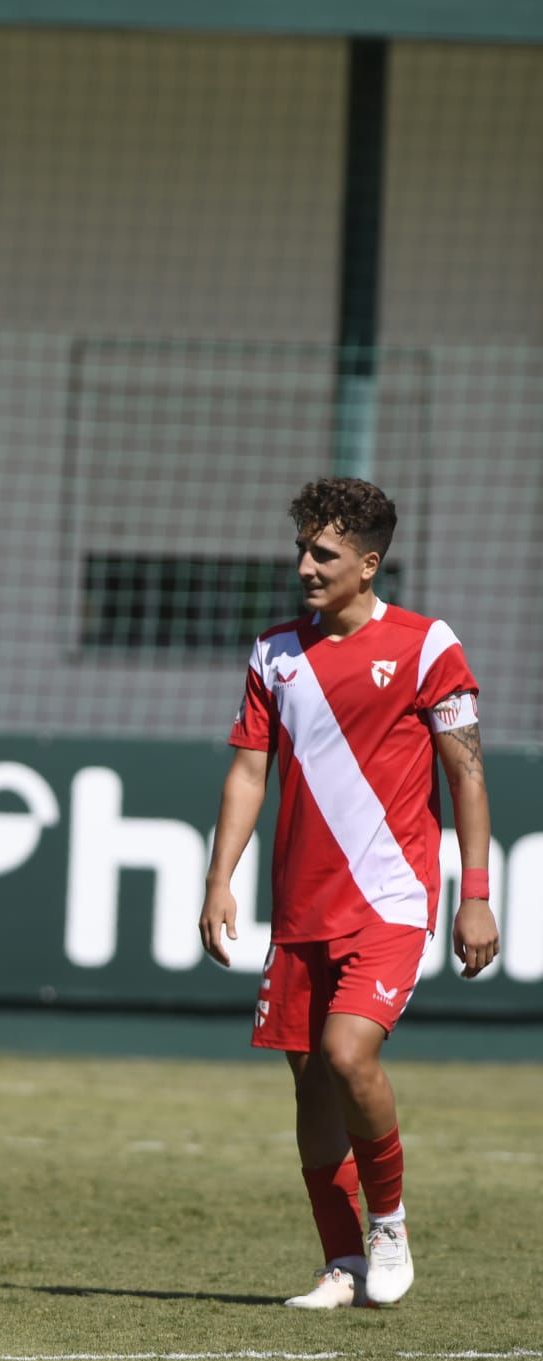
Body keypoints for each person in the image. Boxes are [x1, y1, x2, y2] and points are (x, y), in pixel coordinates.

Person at [202, 477, 499, 1311]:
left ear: (368, 564)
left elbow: (467, 775)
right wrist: (220, 878)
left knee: (347, 1053)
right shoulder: (273, 652)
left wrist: (476, 892)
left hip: (393, 900)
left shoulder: (427, 645)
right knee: (309, 1080)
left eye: (323, 553)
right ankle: (342, 1263)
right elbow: (249, 771)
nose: (304, 565)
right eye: (301, 548)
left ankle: (390, 1223)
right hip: (300, 907)